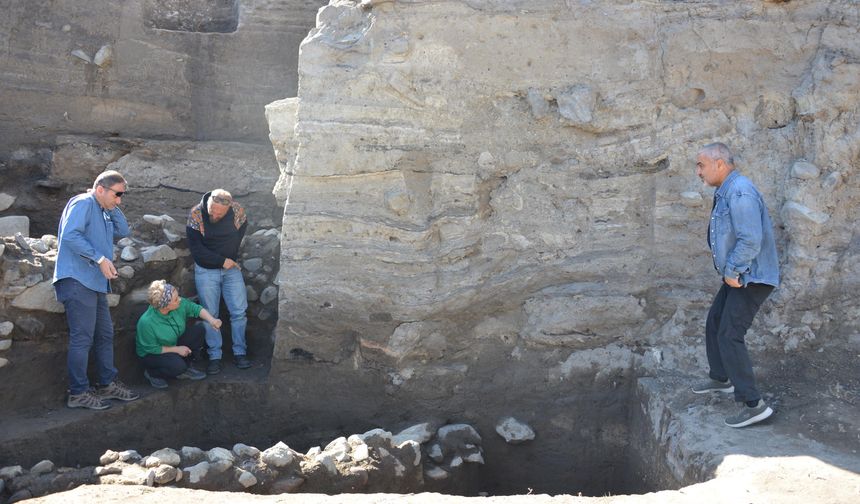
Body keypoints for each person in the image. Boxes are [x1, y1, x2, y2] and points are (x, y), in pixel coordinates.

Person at [691, 142, 780, 428]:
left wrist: (733, 271)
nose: (698, 172)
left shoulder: (740, 192)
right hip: (739, 275)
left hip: (750, 277)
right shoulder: (727, 190)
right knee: (715, 323)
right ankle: (721, 378)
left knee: (730, 334)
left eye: (701, 165)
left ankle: (754, 405)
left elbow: (750, 239)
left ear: (720, 164)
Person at [53, 170, 140, 410]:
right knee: (83, 338)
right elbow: (70, 235)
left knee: (104, 335)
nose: (120, 199)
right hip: (77, 280)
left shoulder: (103, 210)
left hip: (94, 283)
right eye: (117, 194)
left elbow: (123, 231)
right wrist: (100, 258)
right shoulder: (84, 203)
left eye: (122, 195)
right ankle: (78, 393)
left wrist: (113, 205)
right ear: (100, 189)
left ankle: (106, 384)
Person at [186, 189, 252, 374]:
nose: (214, 215)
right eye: (212, 211)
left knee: (239, 311)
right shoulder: (196, 214)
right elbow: (196, 250)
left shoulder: (238, 212)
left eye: (220, 213)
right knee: (211, 315)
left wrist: (230, 257)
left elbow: (239, 234)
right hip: (206, 270)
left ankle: (240, 353)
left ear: (229, 208)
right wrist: (222, 260)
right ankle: (215, 356)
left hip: (231, 270)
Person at [136, 280, 221, 388]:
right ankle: (153, 374)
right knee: (178, 367)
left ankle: (186, 367)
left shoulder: (179, 305)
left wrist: (212, 320)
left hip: (173, 341)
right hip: (152, 354)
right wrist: (176, 349)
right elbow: (151, 348)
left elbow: (196, 309)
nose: (179, 300)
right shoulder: (147, 322)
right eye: (176, 299)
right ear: (165, 306)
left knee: (199, 331)